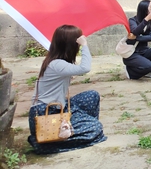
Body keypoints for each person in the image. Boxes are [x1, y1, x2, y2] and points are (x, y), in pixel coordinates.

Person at [28, 25, 106, 154]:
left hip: (59, 106)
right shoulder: (57, 64)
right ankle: (49, 143)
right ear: (70, 45)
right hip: (46, 113)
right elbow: (85, 68)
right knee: (96, 127)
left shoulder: (56, 61)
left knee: (92, 95)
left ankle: (76, 127)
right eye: (77, 43)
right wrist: (85, 45)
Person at [123, 0, 151, 80]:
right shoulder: (132, 20)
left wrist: (136, 37)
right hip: (132, 53)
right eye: (150, 7)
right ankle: (130, 72)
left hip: (144, 51)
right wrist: (146, 20)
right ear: (143, 8)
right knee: (148, 66)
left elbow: (150, 37)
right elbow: (135, 31)